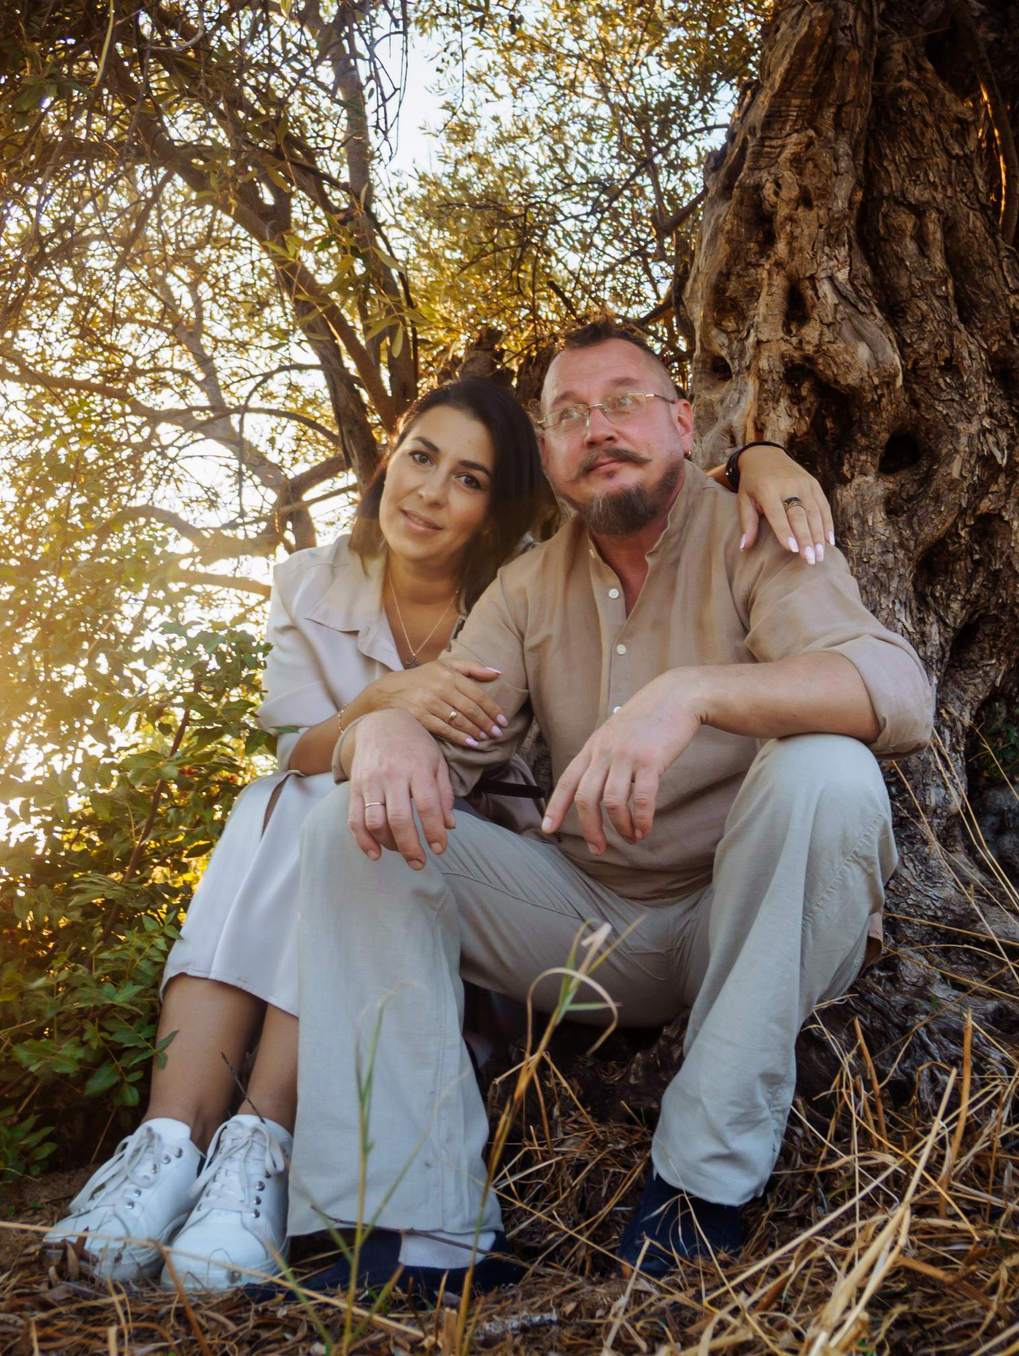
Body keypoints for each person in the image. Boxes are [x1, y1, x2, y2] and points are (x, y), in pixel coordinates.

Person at [43, 372, 839, 1292]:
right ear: (388, 461)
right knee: (291, 800)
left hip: (478, 868)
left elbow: (646, 484)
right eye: (420, 457)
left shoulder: (525, 583)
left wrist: (756, 457)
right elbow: (299, 745)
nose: (429, 489)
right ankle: (172, 1142)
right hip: (373, 844)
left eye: (467, 478)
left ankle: (260, 1141)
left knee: (342, 812)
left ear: (498, 505)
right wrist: (381, 709)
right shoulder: (312, 581)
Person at [287, 321, 935, 1299]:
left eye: (624, 401)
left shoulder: (753, 531)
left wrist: (691, 695)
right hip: (592, 931)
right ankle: (417, 1226)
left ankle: (697, 1191)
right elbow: (444, 735)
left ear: (682, 423)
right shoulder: (523, 589)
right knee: (349, 825)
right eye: (569, 415)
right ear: (547, 454)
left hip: (753, 916)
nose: (599, 429)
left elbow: (897, 692)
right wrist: (385, 731)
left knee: (828, 775)